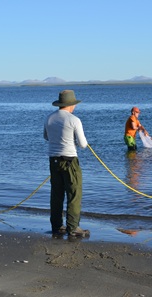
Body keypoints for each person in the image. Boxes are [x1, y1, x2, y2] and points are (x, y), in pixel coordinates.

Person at [43, 90, 89, 237]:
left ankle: (57, 226)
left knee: (56, 194)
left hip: (54, 160)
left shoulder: (49, 118)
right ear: (71, 105)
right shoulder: (74, 120)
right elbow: (83, 144)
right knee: (74, 193)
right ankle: (73, 227)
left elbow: (46, 137)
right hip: (70, 161)